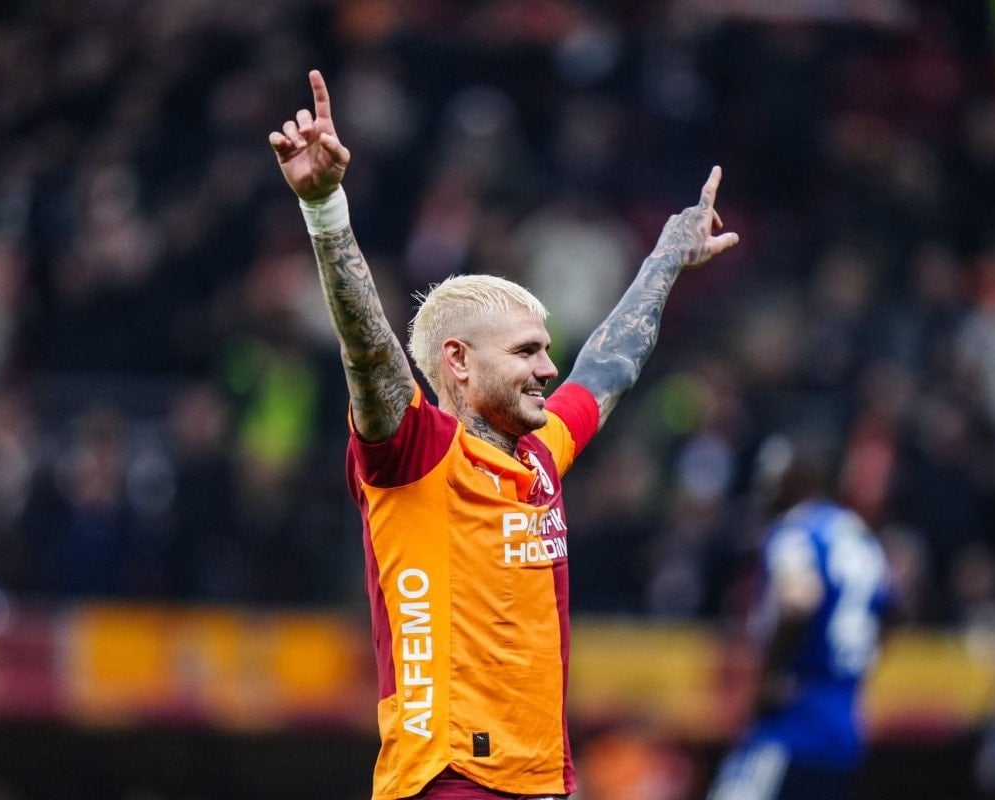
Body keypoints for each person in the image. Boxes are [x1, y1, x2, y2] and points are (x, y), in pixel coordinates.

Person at [269, 69, 739, 800]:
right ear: (457, 361)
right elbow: (368, 349)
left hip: (541, 780)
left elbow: (608, 364)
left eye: (545, 351)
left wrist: (666, 259)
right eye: (526, 352)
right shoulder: (415, 454)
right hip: (451, 780)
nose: (548, 369)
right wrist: (325, 209)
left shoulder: (541, 452)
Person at [706, 436, 895, 800]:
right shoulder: (856, 533)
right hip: (844, 722)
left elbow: (799, 599)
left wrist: (773, 674)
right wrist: (862, 659)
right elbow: (894, 603)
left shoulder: (795, 532)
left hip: (794, 719)